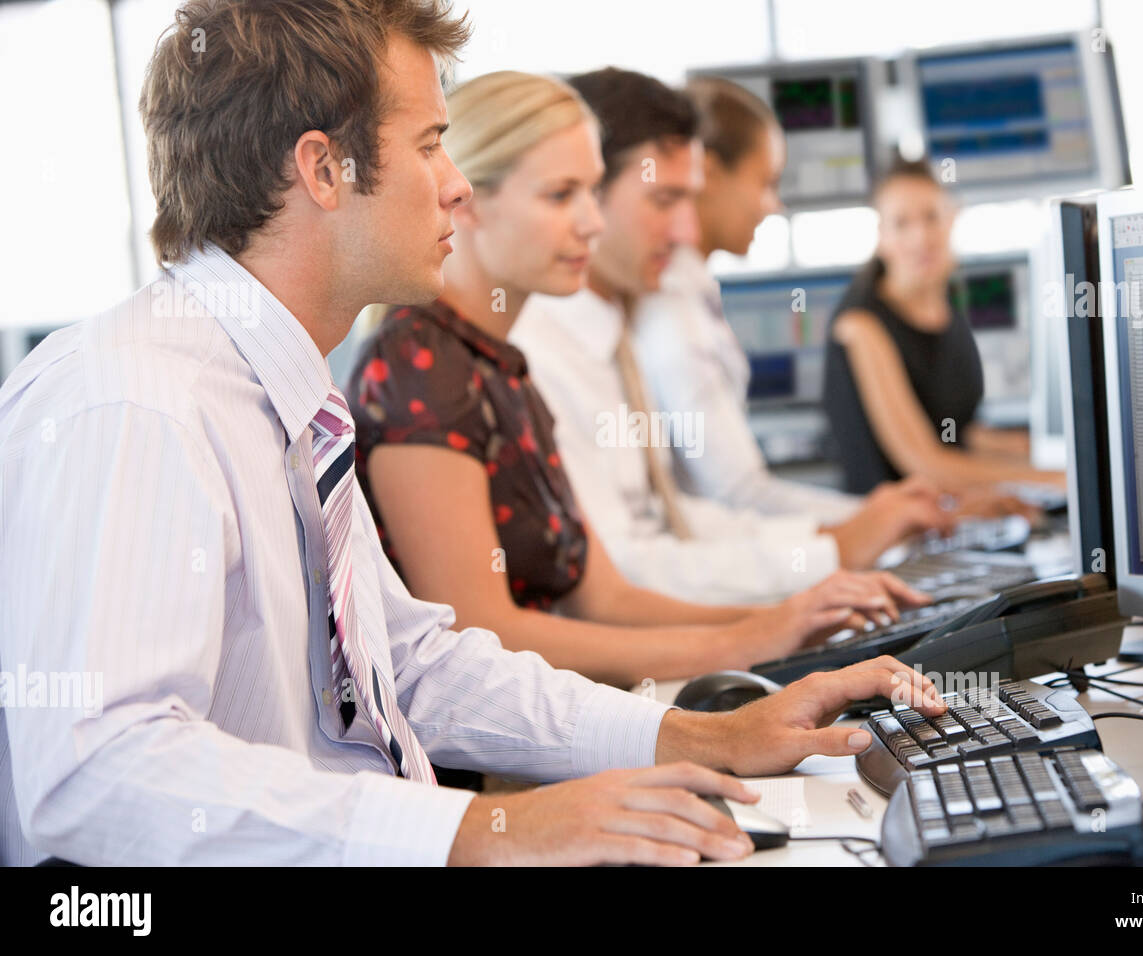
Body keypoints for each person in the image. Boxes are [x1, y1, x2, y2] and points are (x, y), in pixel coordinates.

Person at [0, 0, 945, 868]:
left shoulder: (281, 392)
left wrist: (703, 736)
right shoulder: (135, 401)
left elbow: (410, 667)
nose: (456, 187)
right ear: (323, 169)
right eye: (431, 145)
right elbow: (95, 768)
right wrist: (484, 831)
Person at [346, 71, 930, 687]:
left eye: (594, 193)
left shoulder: (502, 366)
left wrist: (786, 622)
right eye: (560, 195)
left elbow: (606, 598)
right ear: (469, 199)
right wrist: (749, 639)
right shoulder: (424, 366)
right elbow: (481, 637)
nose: (592, 224)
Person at [511, 68, 954, 607]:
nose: (686, 231)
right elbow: (624, 573)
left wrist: (836, 542)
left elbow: (674, 518)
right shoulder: (543, 354)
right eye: (664, 200)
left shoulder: (615, 330)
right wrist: (833, 549)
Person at [634, 76, 862, 525]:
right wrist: (879, 519)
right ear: (711, 173)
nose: (773, 205)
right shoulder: (670, 307)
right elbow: (736, 493)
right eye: (765, 182)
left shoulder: (690, 292)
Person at [823, 159, 1066, 495]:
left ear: (952, 218)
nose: (921, 236)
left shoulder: (944, 309)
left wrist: (1032, 450)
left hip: (954, 515)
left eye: (931, 217)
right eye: (902, 223)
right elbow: (926, 464)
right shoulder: (860, 325)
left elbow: (957, 432)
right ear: (882, 238)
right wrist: (1057, 480)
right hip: (899, 533)